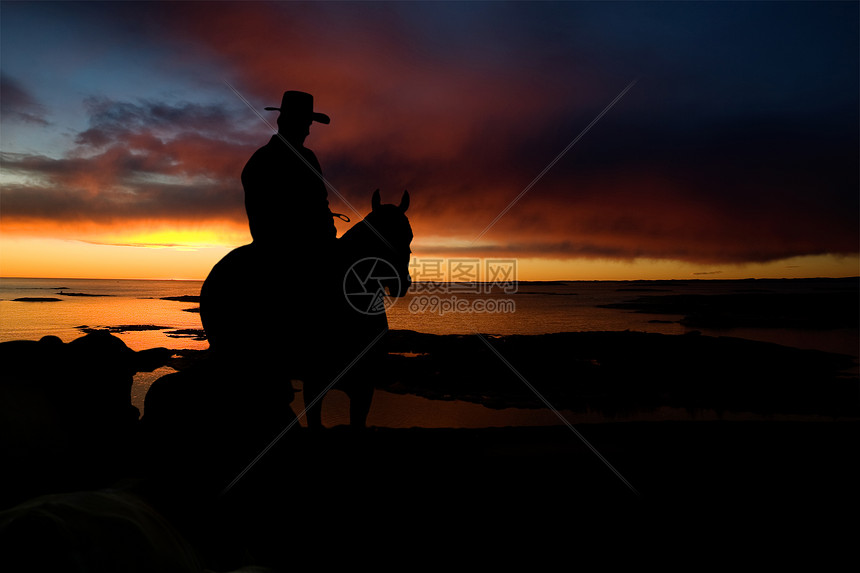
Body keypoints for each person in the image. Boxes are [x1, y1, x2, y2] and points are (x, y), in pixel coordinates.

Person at [241, 90, 338, 257]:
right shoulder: (307, 158)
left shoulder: (258, 159)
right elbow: (320, 204)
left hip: (268, 245)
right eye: (306, 124)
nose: (308, 131)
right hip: (303, 248)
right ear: (291, 123)